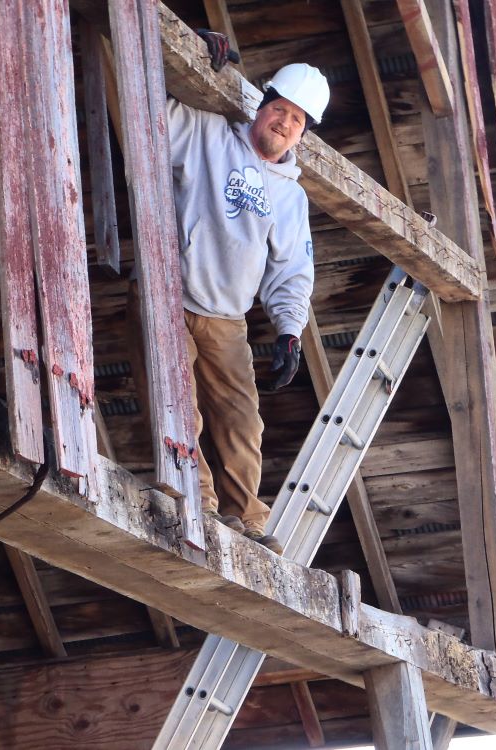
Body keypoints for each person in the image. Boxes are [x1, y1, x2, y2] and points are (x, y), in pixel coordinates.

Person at [129, 45, 330, 555]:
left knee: (243, 421)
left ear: (303, 133)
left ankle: (247, 518)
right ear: (262, 106)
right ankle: (196, 499)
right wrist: (188, 57)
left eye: (297, 120)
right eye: (280, 109)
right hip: (168, 295)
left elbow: (291, 270)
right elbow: (142, 105)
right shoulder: (206, 133)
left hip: (227, 319)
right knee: (180, 404)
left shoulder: (290, 196)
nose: (284, 123)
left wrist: (289, 330)